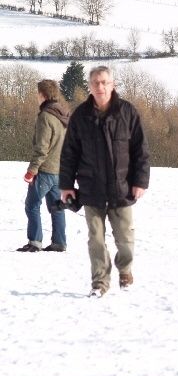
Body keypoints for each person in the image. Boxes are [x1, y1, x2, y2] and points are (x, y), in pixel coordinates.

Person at [59, 66, 150, 297]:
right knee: (96, 240)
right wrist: (67, 185)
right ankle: (100, 283)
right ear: (89, 86)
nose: (100, 87)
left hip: (122, 189)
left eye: (104, 82)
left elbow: (141, 150)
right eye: (96, 83)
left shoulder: (128, 112)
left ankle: (125, 269)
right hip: (92, 190)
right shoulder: (80, 116)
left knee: (126, 242)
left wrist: (140, 181)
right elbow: (69, 154)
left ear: (113, 84)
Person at [18, 80, 70, 253]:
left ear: (43, 95)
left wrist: (32, 171)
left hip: (45, 170)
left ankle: (34, 242)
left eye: (37, 93)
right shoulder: (63, 115)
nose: (36, 96)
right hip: (60, 170)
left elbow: (42, 148)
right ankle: (59, 243)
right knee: (57, 207)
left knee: (31, 205)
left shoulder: (45, 116)